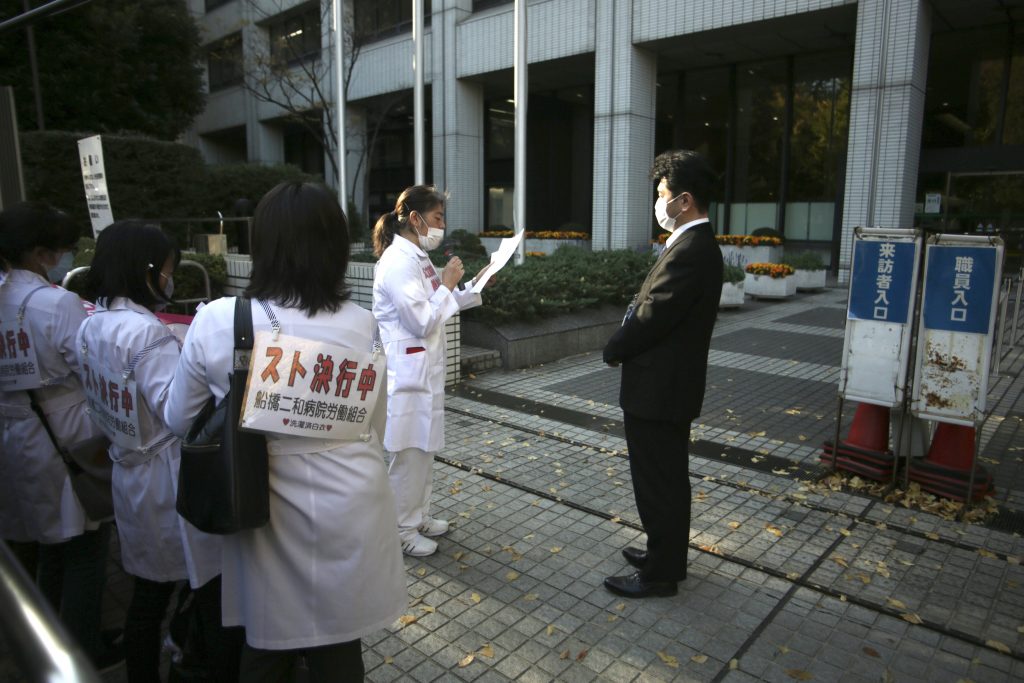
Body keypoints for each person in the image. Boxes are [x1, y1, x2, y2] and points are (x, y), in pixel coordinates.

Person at [165, 182, 407, 682]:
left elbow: (176, 418)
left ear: (264, 246)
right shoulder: (363, 325)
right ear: (337, 249)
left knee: (267, 641)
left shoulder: (219, 321)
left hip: (261, 501)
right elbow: (375, 426)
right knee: (340, 643)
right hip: (352, 501)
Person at [76, 220, 231, 681]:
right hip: (165, 475)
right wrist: (199, 361)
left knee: (147, 590)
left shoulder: (92, 325)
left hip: (129, 469)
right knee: (189, 586)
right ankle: (191, 663)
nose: (170, 279)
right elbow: (176, 412)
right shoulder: (147, 335)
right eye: (165, 270)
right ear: (143, 271)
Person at [0, 201, 119, 669]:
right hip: (65, 433)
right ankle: (81, 647)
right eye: (61, 249)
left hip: (17, 431)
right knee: (86, 547)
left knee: (48, 544)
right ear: (39, 252)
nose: (66, 257)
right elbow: (91, 367)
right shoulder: (56, 303)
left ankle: (47, 643)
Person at [602, 150, 723, 598]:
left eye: (662, 194)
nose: (659, 202)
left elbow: (654, 315)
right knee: (666, 479)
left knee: (659, 483)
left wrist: (614, 349)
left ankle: (660, 574)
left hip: (660, 391)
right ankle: (664, 555)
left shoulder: (692, 249)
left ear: (685, 200)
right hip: (667, 388)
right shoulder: (693, 245)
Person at [371, 185, 491, 557]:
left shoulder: (417, 257)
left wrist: (473, 286)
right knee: (408, 453)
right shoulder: (397, 261)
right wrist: (450, 283)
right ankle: (401, 530)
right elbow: (422, 319)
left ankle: (418, 516)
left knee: (424, 449)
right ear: (414, 218)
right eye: (437, 217)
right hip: (406, 373)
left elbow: (438, 302)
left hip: (422, 370)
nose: (441, 225)